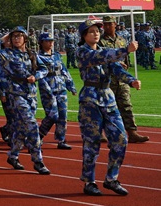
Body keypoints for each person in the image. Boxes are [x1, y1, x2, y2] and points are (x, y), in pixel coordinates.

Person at [76, 17, 141, 196]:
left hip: (108, 98)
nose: (96, 34)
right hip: (90, 100)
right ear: (84, 35)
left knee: (121, 139)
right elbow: (99, 58)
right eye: (91, 31)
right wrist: (125, 50)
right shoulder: (82, 52)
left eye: (97, 31)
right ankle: (89, 181)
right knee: (92, 142)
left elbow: (117, 69)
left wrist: (131, 80)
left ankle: (112, 178)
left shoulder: (105, 51)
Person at [0, 26, 51, 175]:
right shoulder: (6, 54)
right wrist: (4, 38)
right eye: (14, 36)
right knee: (32, 125)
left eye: (19, 36)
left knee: (21, 128)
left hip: (30, 93)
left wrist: (36, 76)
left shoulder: (31, 54)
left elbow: (44, 69)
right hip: (15, 94)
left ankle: (13, 155)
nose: (16, 39)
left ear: (25, 38)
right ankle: (38, 160)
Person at [102, 17, 149, 143]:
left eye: (109, 24)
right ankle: (100, 132)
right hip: (108, 79)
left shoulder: (122, 40)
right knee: (105, 107)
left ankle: (132, 132)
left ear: (115, 24)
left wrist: (126, 66)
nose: (107, 27)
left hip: (122, 79)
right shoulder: (100, 41)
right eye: (105, 24)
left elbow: (126, 58)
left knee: (126, 105)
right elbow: (101, 58)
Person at [35, 33, 77, 150]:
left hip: (61, 88)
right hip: (48, 89)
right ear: (41, 42)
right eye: (47, 41)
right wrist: (46, 89)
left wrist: (71, 86)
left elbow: (64, 71)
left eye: (52, 41)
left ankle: (61, 139)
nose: (50, 43)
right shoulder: (38, 57)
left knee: (63, 115)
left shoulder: (57, 55)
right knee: (52, 115)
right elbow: (39, 75)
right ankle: (39, 135)